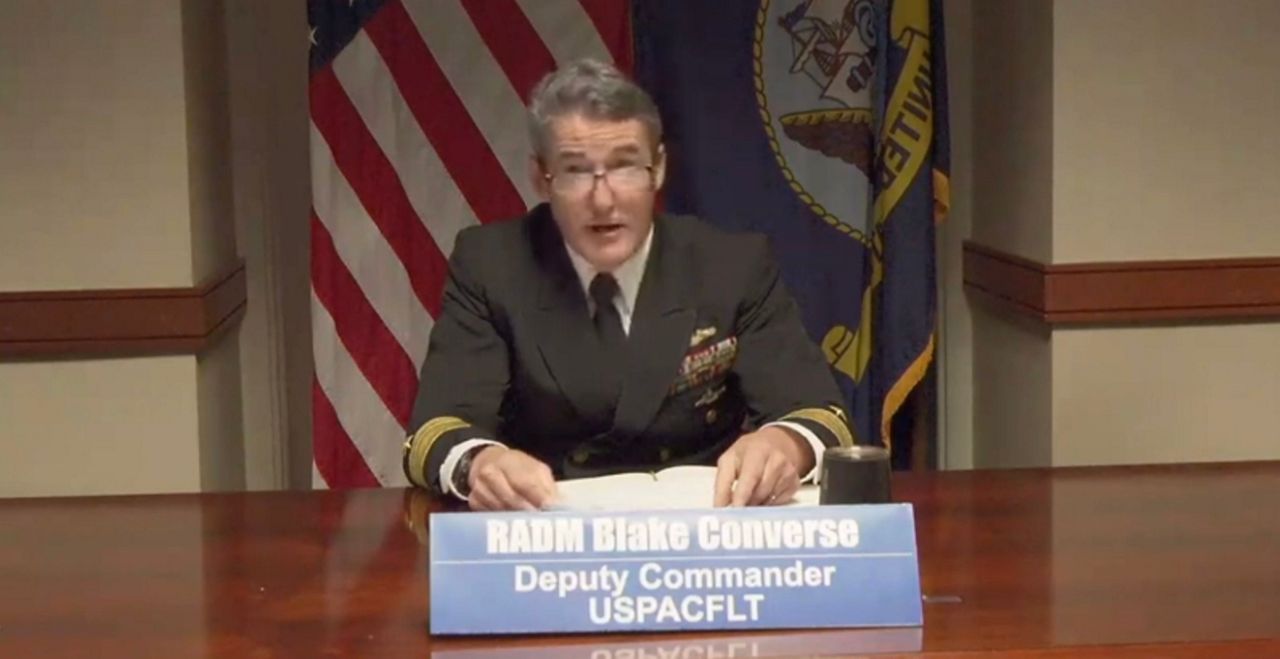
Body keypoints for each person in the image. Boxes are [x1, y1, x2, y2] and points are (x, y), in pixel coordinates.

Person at [403, 59, 852, 511]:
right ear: (541, 178)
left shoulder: (730, 265)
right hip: (547, 525)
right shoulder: (492, 265)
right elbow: (433, 432)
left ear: (658, 169)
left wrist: (784, 444)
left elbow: (821, 416)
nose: (603, 200)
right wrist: (480, 462)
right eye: (576, 171)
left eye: (625, 167)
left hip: (704, 523)